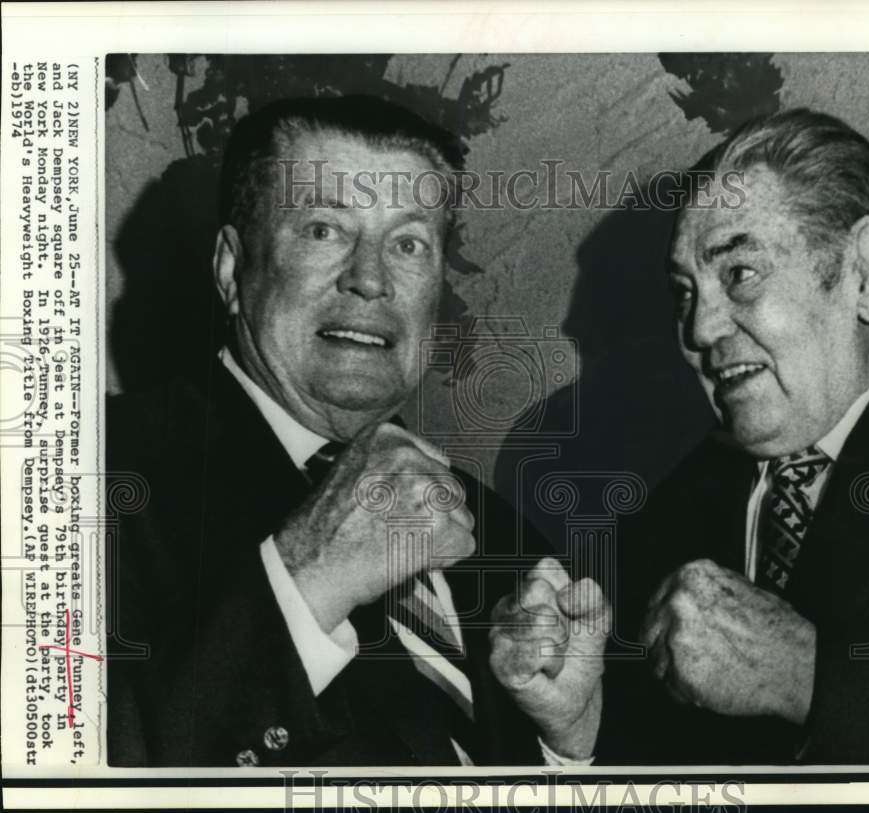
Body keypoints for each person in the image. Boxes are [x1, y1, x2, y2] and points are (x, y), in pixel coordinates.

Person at [106, 95, 608, 767]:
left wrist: (563, 742)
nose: (370, 279)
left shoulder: (499, 535)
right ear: (231, 268)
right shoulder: (91, 474)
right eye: (323, 230)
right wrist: (307, 578)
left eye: (408, 244)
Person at [601, 108, 869, 764]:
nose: (699, 329)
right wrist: (569, 730)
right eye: (684, 293)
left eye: (740, 273)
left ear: (861, 273)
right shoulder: (658, 522)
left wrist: (808, 676)